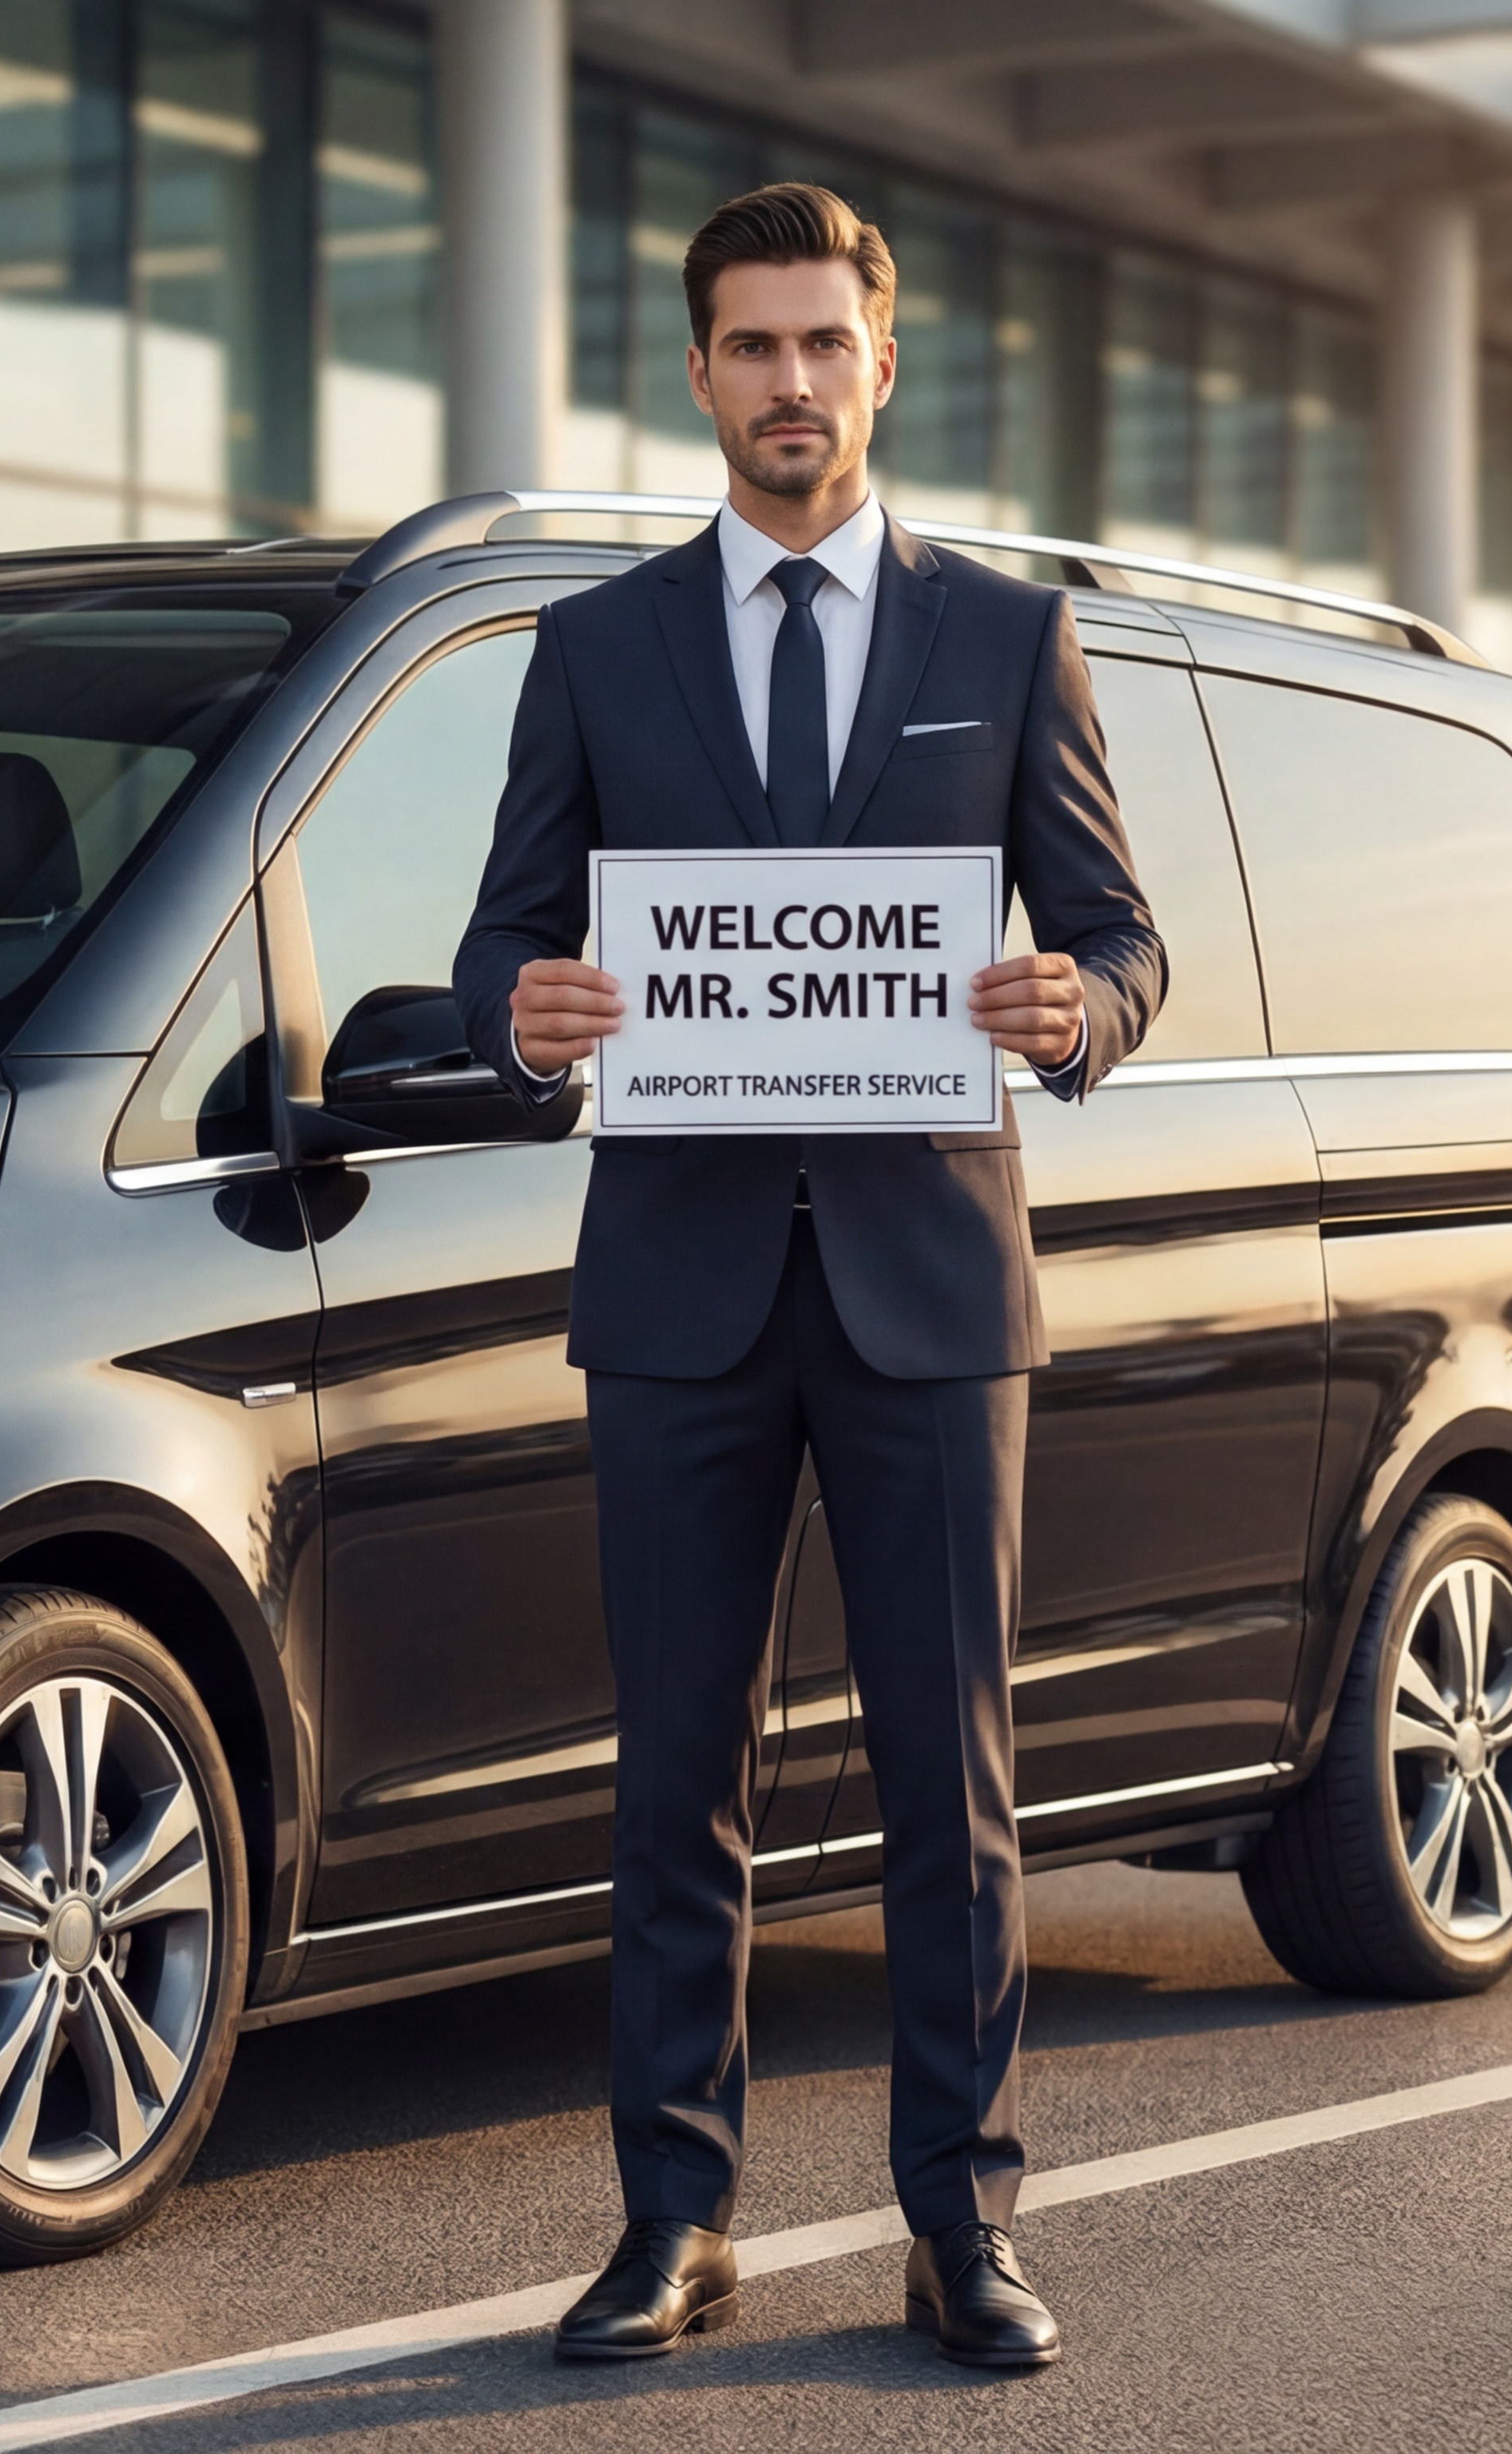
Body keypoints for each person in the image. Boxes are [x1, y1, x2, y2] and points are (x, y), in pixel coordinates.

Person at [454, 185, 1162, 2373]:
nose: (789, 381)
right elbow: (505, 935)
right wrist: (521, 1017)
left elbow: (1121, 937)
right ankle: (676, 2217)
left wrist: (1077, 1011)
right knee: (675, 1778)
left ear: (880, 364)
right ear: (696, 374)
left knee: (953, 1781)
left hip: (927, 1285)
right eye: (750, 346)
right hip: (678, 1289)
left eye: (821, 343)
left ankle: (967, 2220)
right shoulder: (595, 649)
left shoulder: (1005, 641)